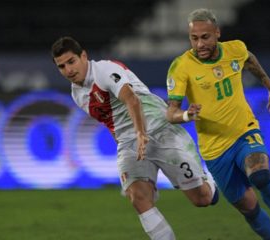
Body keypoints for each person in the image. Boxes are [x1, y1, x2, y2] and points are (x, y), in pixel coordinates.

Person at [51, 36, 218, 240]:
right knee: (137, 197)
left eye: (71, 61)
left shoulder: (104, 70)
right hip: (130, 143)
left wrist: (141, 133)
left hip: (158, 129)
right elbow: (110, 123)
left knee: (202, 199)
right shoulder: (77, 94)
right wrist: (126, 143)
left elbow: (132, 99)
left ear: (83, 56)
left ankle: (211, 180)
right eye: (61, 66)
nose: (68, 70)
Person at [165, 8, 270, 240]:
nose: (200, 44)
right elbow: (171, 113)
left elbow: (249, 59)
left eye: (205, 37)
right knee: (248, 207)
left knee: (259, 174)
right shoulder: (181, 66)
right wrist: (187, 116)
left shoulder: (235, 49)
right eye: (194, 38)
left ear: (217, 33)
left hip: (244, 131)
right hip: (214, 149)